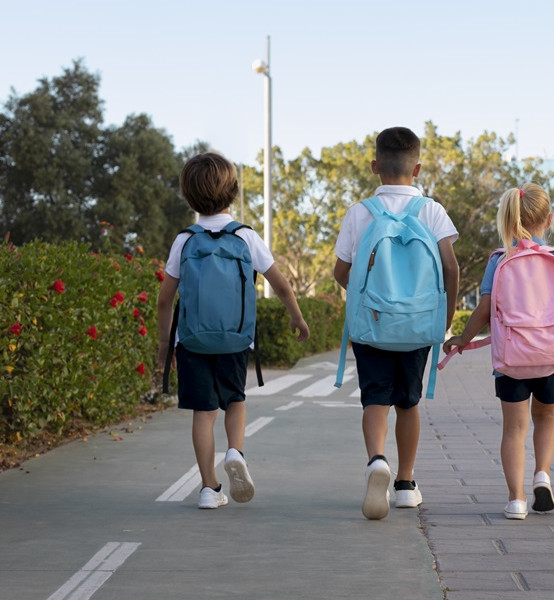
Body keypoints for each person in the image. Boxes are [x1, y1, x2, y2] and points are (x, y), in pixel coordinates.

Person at [157, 152, 310, 509]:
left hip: (192, 341)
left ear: (187, 195)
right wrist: (296, 317)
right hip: (235, 339)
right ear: (234, 192)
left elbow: (165, 300)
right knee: (235, 401)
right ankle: (235, 452)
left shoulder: (184, 240)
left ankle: (210, 489)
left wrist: (165, 346)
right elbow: (282, 285)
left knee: (203, 413)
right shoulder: (245, 236)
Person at [333, 126, 459, 520]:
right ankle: (405, 484)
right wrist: (445, 316)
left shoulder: (360, 213)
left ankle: (376, 462)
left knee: (375, 399)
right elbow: (450, 267)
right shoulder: (432, 211)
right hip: (419, 324)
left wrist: (365, 294)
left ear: (375, 166)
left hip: (372, 324)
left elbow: (341, 271)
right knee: (409, 402)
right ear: (417, 168)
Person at [443, 183, 554, 520]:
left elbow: (483, 310)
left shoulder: (499, 260)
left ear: (508, 219)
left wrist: (462, 339)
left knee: (514, 429)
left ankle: (516, 500)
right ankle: (542, 474)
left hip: (512, 359)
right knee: (546, 417)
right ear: (548, 219)